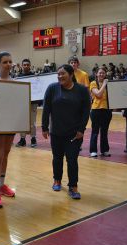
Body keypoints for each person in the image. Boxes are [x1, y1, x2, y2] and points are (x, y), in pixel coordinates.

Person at [42, 64, 91, 199]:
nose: (60, 76)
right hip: (56, 132)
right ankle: (57, 180)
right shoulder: (52, 88)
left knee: (72, 160)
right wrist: (44, 127)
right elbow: (46, 108)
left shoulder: (81, 90)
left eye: (63, 74)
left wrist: (82, 129)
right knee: (57, 158)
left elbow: (86, 111)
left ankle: (73, 186)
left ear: (71, 75)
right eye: (58, 74)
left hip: (74, 133)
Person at [0, 51, 17, 208]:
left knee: (5, 155)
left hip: (10, 124)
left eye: (10, 61)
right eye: (5, 62)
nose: (8, 64)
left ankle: (2, 185)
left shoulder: (14, 81)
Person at [89, 67, 112, 157]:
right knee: (95, 131)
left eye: (103, 73)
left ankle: (104, 150)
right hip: (96, 110)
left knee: (104, 131)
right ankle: (93, 150)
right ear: (96, 74)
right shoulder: (93, 83)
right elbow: (98, 94)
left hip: (106, 110)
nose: (101, 74)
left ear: (105, 74)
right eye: (100, 73)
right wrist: (104, 84)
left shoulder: (109, 84)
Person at [16, 59, 39, 148]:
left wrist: (38, 78)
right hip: (22, 103)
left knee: (32, 122)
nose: (26, 66)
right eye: (24, 65)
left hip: (33, 102)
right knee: (22, 121)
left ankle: (33, 138)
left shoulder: (35, 76)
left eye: (27, 65)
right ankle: (22, 139)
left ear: (30, 66)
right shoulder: (19, 77)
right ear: (22, 66)